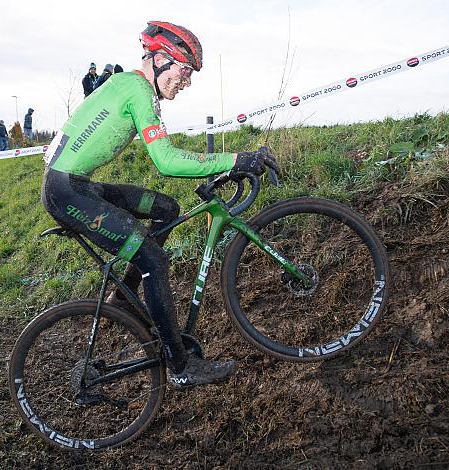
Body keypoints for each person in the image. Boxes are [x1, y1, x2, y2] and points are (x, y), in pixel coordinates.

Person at [41, 21, 276, 388]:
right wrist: (233, 160)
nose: (187, 81)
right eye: (185, 71)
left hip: (76, 185)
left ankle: (125, 303)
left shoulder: (129, 87)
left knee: (166, 208)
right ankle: (180, 366)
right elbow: (165, 161)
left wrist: (223, 165)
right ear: (162, 58)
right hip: (68, 193)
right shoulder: (136, 89)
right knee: (153, 259)